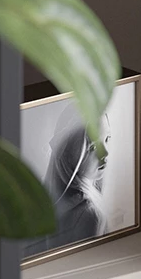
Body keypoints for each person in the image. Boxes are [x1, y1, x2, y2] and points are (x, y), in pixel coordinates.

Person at [24, 109, 111, 257]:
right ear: (71, 153)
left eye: (107, 139)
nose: (106, 153)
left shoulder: (41, 200)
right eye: (93, 147)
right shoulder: (90, 215)